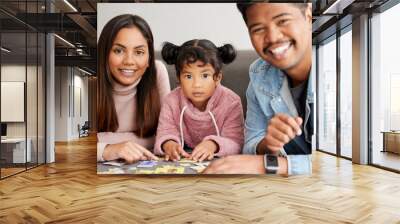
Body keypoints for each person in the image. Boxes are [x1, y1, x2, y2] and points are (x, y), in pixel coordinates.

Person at [204, 3, 314, 175]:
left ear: (308, 15)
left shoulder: (339, 61)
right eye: (258, 29)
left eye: (283, 20)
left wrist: (270, 165)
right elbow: (251, 143)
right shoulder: (259, 74)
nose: (272, 37)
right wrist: (268, 144)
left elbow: (347, 163)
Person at [154, 39, 244, 162]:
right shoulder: (171, 100)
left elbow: (236, 142)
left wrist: (213, 145)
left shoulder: (231, 102)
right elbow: (165, 132)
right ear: (179, 78)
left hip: (217, 162)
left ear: (217, 77)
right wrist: (169, 144)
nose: (196, 84)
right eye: (188, 76)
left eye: (205, 75)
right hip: (184, 160)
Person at [97, 14, 171, 163]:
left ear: (149, 58)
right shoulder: (93, 80)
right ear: (104, 54)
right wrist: (107, 149)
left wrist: (103, 140)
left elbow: (168, 133)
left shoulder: (157, 72)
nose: (129, 61)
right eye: (119, 51)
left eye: (139, 52)